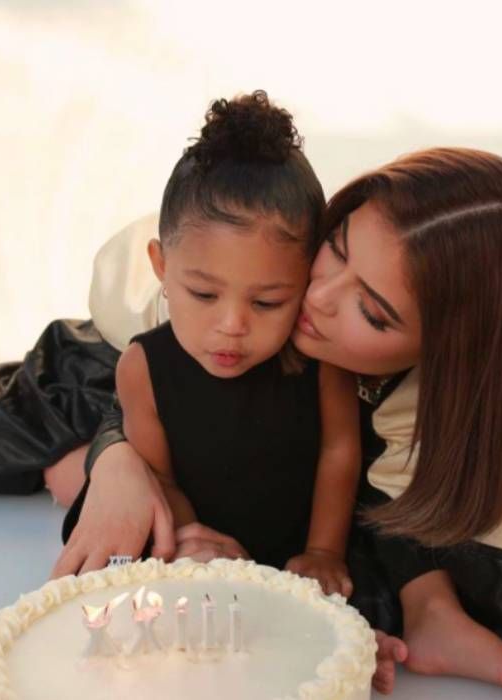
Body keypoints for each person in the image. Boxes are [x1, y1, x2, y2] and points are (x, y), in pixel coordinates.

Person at [54, 147, 502, 699]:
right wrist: (115, 460)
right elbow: (120, 371)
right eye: (334, 251)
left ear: (450, 356)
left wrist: (425, 605)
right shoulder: (236, 289)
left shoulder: (451, 442)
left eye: (373, 312)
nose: (315, 297)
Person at [112, 90, 360, 595]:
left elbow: (339, 452)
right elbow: (159, 477)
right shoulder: (142, 367)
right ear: (161, 266)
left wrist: (324, 552)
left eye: (267, 302)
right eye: (203, 293)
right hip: (201, 575)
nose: (232, 325)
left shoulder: (320, 362)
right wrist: (192, 539)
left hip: (299, 566)